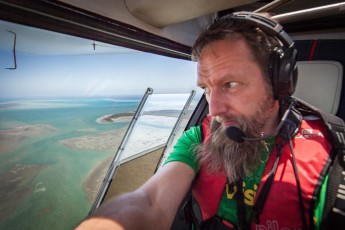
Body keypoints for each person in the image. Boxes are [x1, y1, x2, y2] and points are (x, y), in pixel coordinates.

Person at [76, 12, 338, 230]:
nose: (214, 109)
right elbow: (150, 202)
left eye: (231, 84)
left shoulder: (332, 156)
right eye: (207, 89)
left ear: (278, 82)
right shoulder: (198, 139)